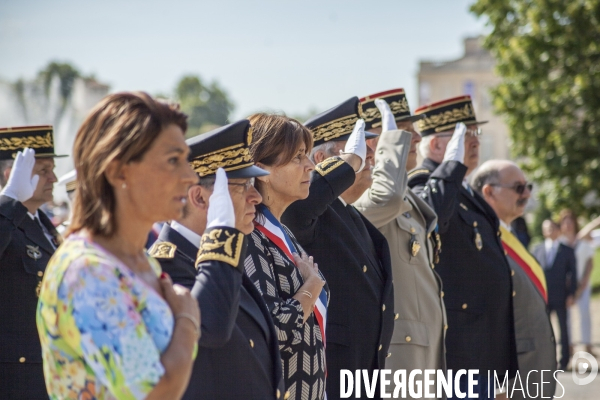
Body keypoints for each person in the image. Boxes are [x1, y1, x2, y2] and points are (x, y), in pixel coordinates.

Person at [36, 92, 200, 399]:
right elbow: (154, 393)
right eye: (173, 161)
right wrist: (188, 319)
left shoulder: (139, 261)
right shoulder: (88, 271)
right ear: (118, 171)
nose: (190, 176)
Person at [150, 120, 287, 399]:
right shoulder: (166, 269)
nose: (256, 197)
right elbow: (211, 327)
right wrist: (221, 235)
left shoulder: (224, 256)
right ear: (200, 198)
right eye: (241, 187)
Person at [282, 97, 395, 400]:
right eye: (357, 149)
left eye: (368, 149)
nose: (368, 156)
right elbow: (301, 208)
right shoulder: (308, 210)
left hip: (364, 371)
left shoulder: (348, 212)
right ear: (322, 160)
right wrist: (350, 164)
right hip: (336, 373)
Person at [407, 95, 518, 399]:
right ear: (435, 146)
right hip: (457, 348)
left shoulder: (462, 188)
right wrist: (451, 169)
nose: (473, 141)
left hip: (481, 345)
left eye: (474, 133)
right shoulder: (423, 182)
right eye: (462, 134)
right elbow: (429, 220)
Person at [354, 90, 448, 397]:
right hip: (401, 355)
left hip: (423, 350)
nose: (417, 139)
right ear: (374, 142)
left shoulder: (405, 194)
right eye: (405, 132)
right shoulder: (364, 198)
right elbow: (386, 196)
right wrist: (390, 142)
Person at [243, 113, 328, 400]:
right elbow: (274, 329)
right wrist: (311, 288)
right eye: (297, 158)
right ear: (261, 170)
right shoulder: (249, 237)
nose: (310, 166)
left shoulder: (283, 233)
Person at [472, 160, 556, 399]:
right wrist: (497, 381)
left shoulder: (511, 235)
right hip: (510, 378)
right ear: (489, 191)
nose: (527, 193)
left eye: (527, 186)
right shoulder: (480, 240)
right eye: (518, 187)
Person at [0, 125, 66, 399]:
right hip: (18, 379)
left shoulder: (43, 224)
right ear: (11, 175)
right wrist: (10, 200)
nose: (54, 178)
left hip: (52, 371)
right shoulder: (7, 220)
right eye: (43, 171)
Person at [533, 219, 577, 370]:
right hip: (542, 297)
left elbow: (573, 274)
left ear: (557, 230)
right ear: (543, 231)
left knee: (563, 329)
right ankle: (545, 360)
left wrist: (571, 294)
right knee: (542, 329)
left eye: (552, 228)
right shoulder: (536, 250)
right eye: (547, 228)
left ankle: (564, 360)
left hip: (561, 297)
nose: (550, 231)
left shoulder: (567, 250)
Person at [560, 209, 596, 357]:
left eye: (570, 222)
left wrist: (584, 282)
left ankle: (587, 346)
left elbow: (590, 261)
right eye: (565, 222)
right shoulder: (560, 244)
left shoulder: (582, 242)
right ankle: (568, 346)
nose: (568, 225)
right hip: (565, 287)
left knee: (584, 314)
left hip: (582, 285)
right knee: (566, 317)